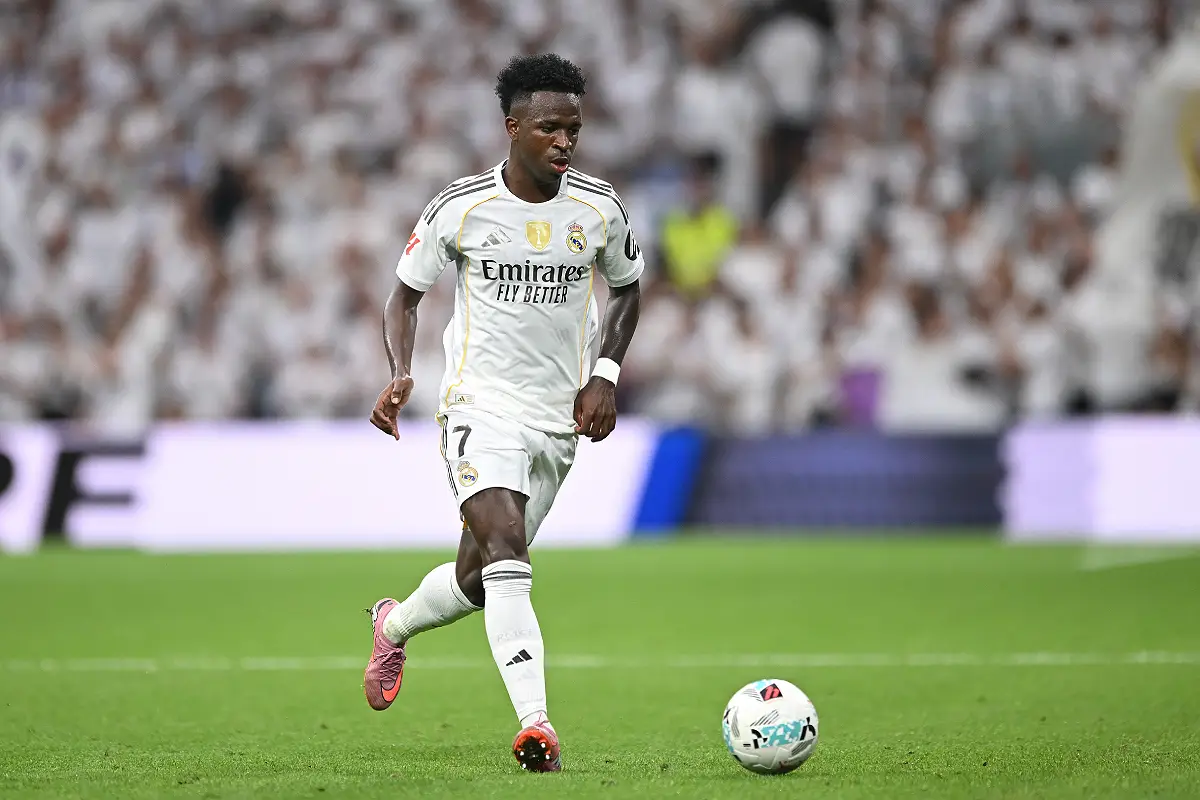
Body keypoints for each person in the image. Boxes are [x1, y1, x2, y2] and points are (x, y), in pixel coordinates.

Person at [363, 54, 644, 773]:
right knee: (507, 545)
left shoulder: (600, 209)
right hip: (478, 404)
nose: (565, 141)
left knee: (476, 580)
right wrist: (401, 373)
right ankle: (536, 724)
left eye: (574, 128)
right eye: (550, 127)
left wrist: (605, 375)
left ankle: (391, 624)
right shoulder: (460, 206)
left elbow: (628, 288)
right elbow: (404, 295)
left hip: (557, 418)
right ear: (512, 127)